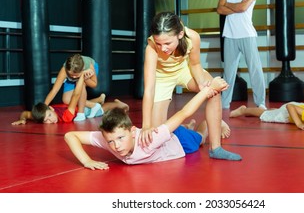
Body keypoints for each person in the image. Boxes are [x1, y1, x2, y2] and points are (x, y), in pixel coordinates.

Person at [64, 76, 241, 170]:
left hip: (180, 143)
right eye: (111, 141)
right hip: (167, 131)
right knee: (175, 128)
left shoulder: (149, 141)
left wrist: (210, 89)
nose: (116, 146)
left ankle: (214, 124)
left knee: (201, 139)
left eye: (120, 138)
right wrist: (87, 161)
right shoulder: (108, 139)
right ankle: (188, 127)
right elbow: (70, 135)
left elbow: (183, 112)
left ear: (133, 132)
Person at [141, 11, 241, 161]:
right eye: (159, 43)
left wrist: (203, 84)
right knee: (157, 136)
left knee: (213, 90)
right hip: (162, 77)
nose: (163, 48)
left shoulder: (192, 37)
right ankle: (192, 127)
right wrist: (146, 125)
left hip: (184, 70)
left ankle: (216, 148)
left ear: (180, 34)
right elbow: (149, 89)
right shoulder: (151, 48)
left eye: (167, 43)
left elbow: (195, 64)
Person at [216, 0, 266, 110]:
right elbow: (219, 9)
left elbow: (243, 8)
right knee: (228, 72)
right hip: (230, 35)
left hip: (247, 34)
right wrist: (235, 7)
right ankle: (224, 104)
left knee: (255, 69)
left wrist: (228, 5)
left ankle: (261, 103)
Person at [12, 73, 129, 125]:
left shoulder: (65, 117)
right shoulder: (40, 115)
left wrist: (81, 80)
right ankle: (98, 99)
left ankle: (118, 104)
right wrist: (22, 119)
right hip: (75, 107)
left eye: (49, 116)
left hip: (81, 111)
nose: (49, 120)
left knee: (101, 110)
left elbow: (75, 96)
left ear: (51, 108)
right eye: (45, 121)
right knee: (78, 103)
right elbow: (26, 114)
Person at [44, 54, 101, 122]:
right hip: (71, 80)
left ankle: (81, 113)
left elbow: (94, 84)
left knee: (79, 83)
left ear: (82, 69)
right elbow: (54, 90)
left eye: (76, 75)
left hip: (87, 77)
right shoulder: (64, 70)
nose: (73, 77)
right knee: (66, 100)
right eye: (70, 75)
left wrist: (84, 77)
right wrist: (44, 107)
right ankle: (93, 105)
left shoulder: (89, 66)